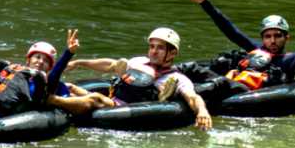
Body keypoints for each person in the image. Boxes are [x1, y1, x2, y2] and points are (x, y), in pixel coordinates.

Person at [67, 27, 213, 130]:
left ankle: (162, 96)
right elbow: (111, 65)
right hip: (112, 99)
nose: (154, 51)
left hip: (123, 109)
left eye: (160, 48)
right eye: (152, 46)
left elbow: (193, 97)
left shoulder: (177, 78)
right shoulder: (138, 62)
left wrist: (202, 111)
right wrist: (79, 62)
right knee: (69, 87)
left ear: (172, 53)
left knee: (94, 98)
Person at [186, 0, 295, 94]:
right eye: (268, 36)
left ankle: (186, 94)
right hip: (233, 83)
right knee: (193, 68)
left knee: (221, 83)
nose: (272, 41)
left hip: (249, 93)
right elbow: (231, 30)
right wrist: (204, 2)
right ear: (262, 38)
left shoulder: (291, 60)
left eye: (277, 36)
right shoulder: (256, 49)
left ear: (287, 38)